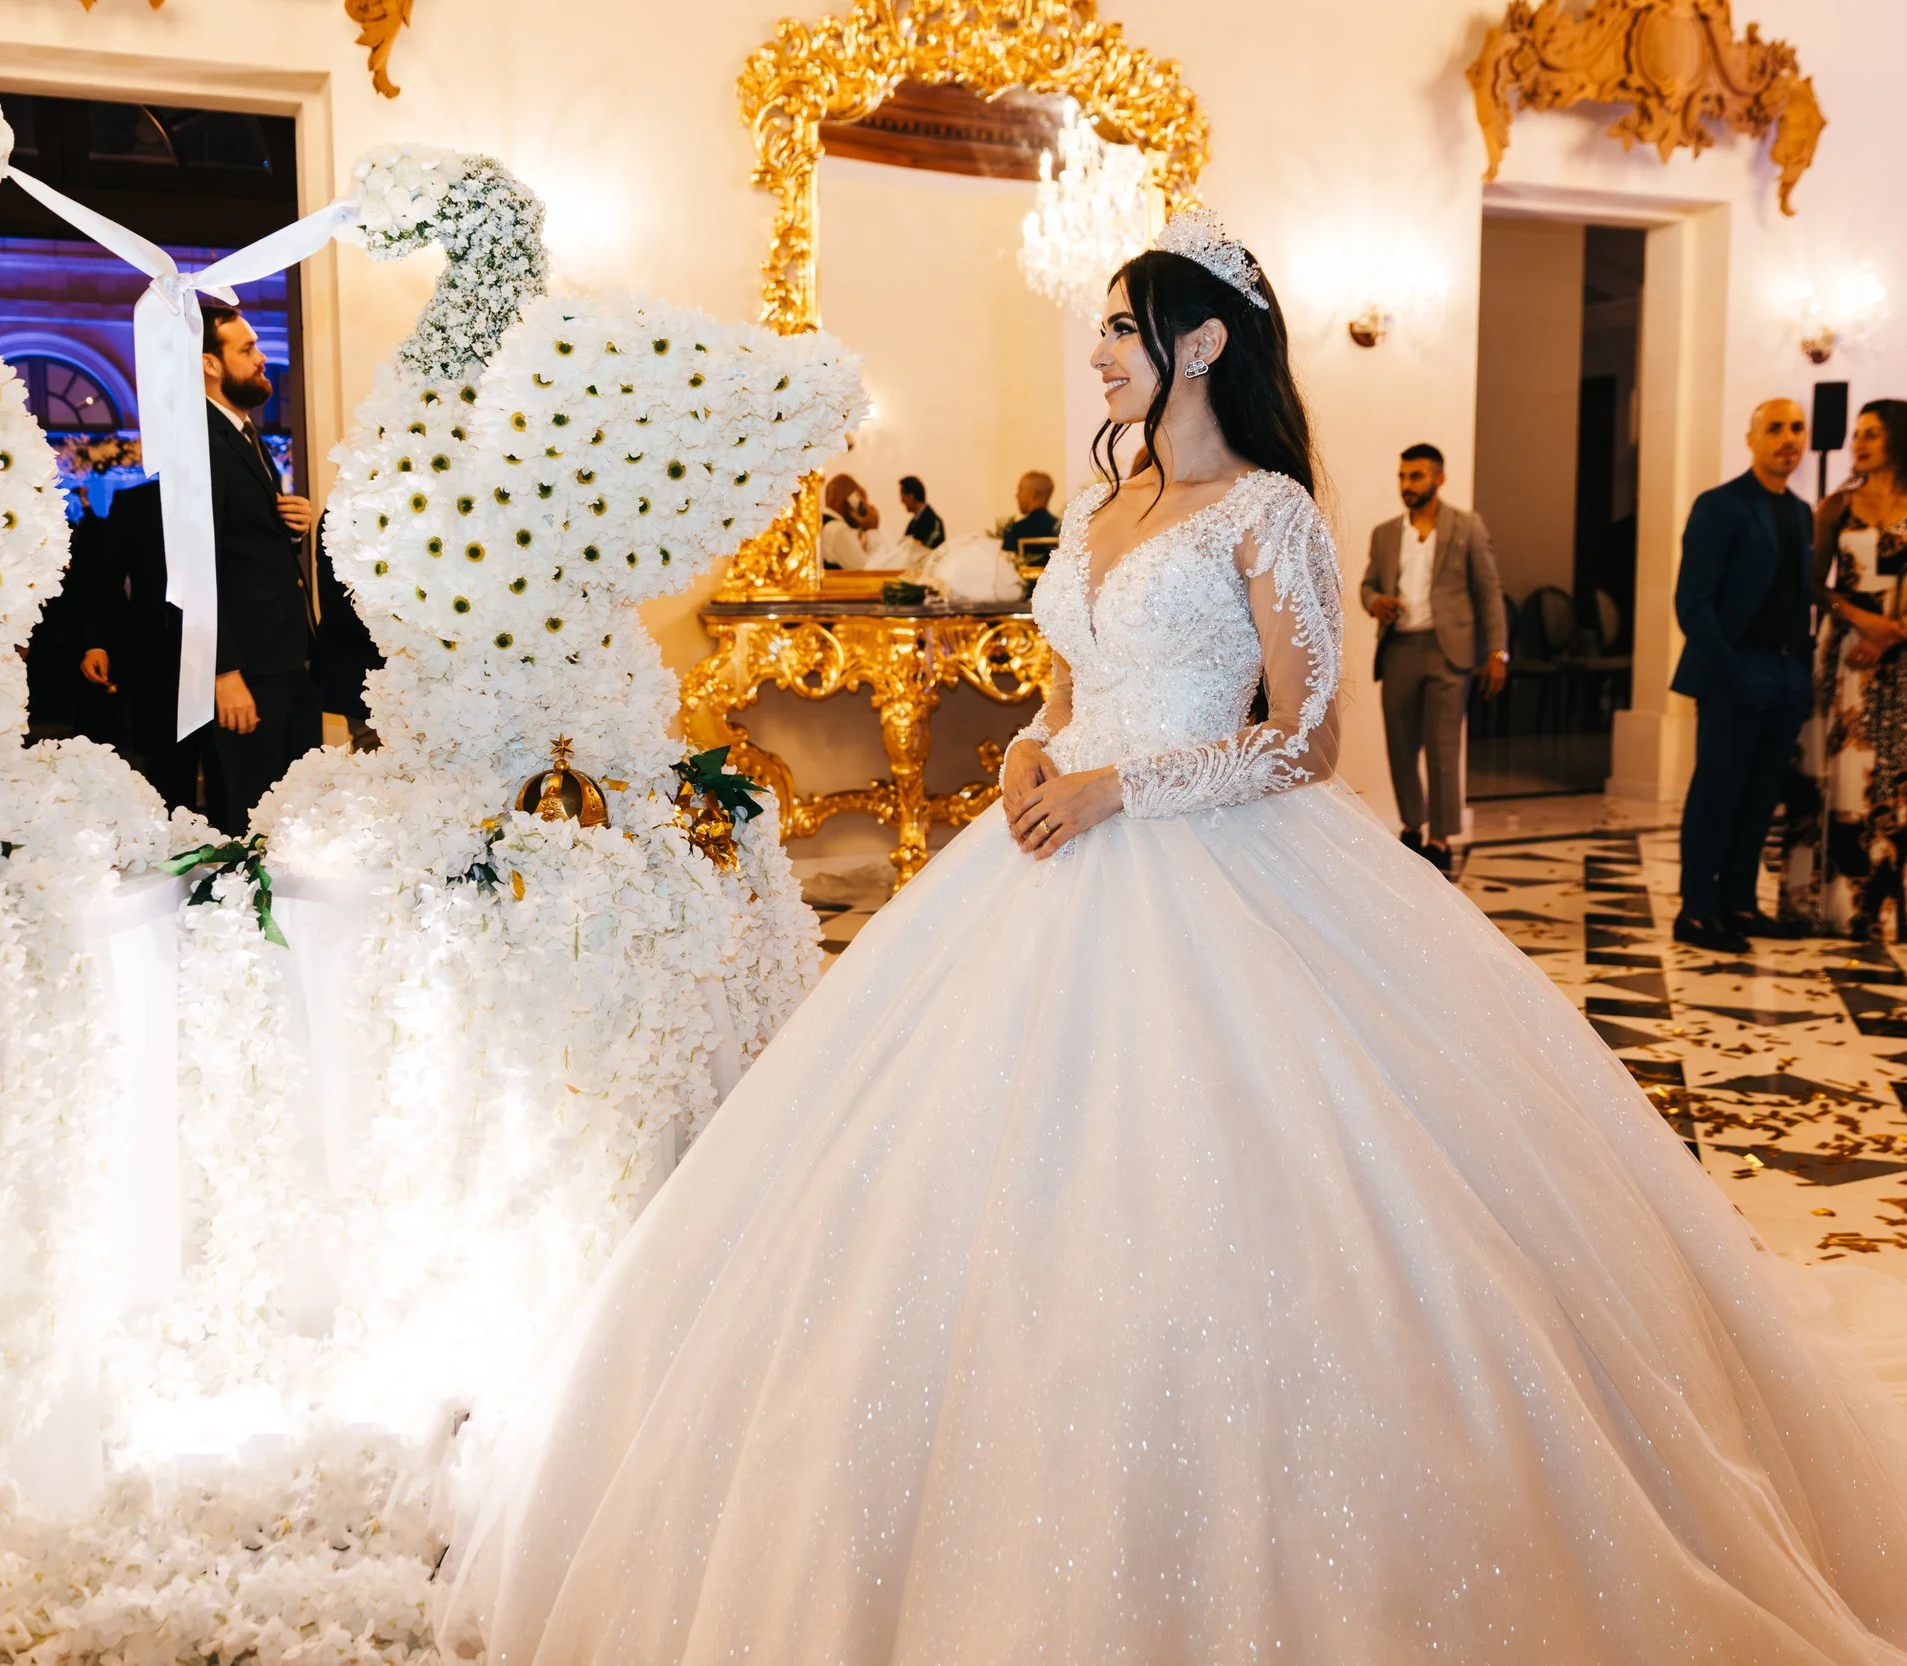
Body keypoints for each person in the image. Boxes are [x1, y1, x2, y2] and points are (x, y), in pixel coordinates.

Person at [446, 212, 1907, 1665]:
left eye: (1120, 328)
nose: (1096, 353)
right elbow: (1068, 691)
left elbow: (1309, 739)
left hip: (1229, 864)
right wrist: (1033, 751)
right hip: (1048, 853)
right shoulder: (1099, 513)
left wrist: (1119, 789)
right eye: (1099, 327)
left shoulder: (1268, 510)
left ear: (1201, 343)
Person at [79, 303, 320, 831]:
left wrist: (290, 527)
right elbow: (190, 564)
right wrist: (224, 671)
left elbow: (240, 547)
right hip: (244, 667)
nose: (261, 359)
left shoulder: (244, 435)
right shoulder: (201, 443)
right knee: (249, 817)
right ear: (210, 364)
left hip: (277, 657)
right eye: (248, 349)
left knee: (287, 810)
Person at [1672, 398, 1817, 953]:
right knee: (1717, 789)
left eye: (1796, 428)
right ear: (1751, 439)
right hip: (1735, 668)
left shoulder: (1801, 511)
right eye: (1775, 428)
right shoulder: (1720, 505)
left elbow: (1797, 598)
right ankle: (1696, 911)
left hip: (1784, 673)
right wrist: (1730, 671)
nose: (1789, 438)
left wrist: (1799, 670)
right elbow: (1693, 601)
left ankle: (1738, 901)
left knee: (1760, 794)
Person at [1785, 398, 1907, 937]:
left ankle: (1887, 907)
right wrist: (1863, 622)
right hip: (1846, 652)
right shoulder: (1836, 506)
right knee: (1843, 772)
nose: (1859, 442)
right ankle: (1834, 905)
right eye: (1856, 433)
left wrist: (1892, 632)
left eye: (1872, 433)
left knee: (1894, 777)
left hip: (1901, 651)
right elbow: (1812, 583)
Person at [1357, 442, 1508, 873]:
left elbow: (1489, 592)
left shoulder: (1466, 527)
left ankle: (1441, 838)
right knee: (1401, 746)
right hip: (1399, 648)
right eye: (1402, 476)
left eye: (1416, 476)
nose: (1407, 485)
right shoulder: (1385, 534)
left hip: (1449, 652)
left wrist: (1497, 651)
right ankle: (1412, 826)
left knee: (1443, 748)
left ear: (1439, 478)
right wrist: (1375, 602)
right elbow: (1367, 585)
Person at [999, 469, 1060, 557]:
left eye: (1020, 490)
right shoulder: (1062, 529)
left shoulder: (1015, 530)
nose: (1017, 496)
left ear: (1032, 494)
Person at [897, 473, 945, 547]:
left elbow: (927, 550)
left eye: (902, 496)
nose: (901, 501)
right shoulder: (913, 523)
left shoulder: (935, 523)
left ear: (911, 496)